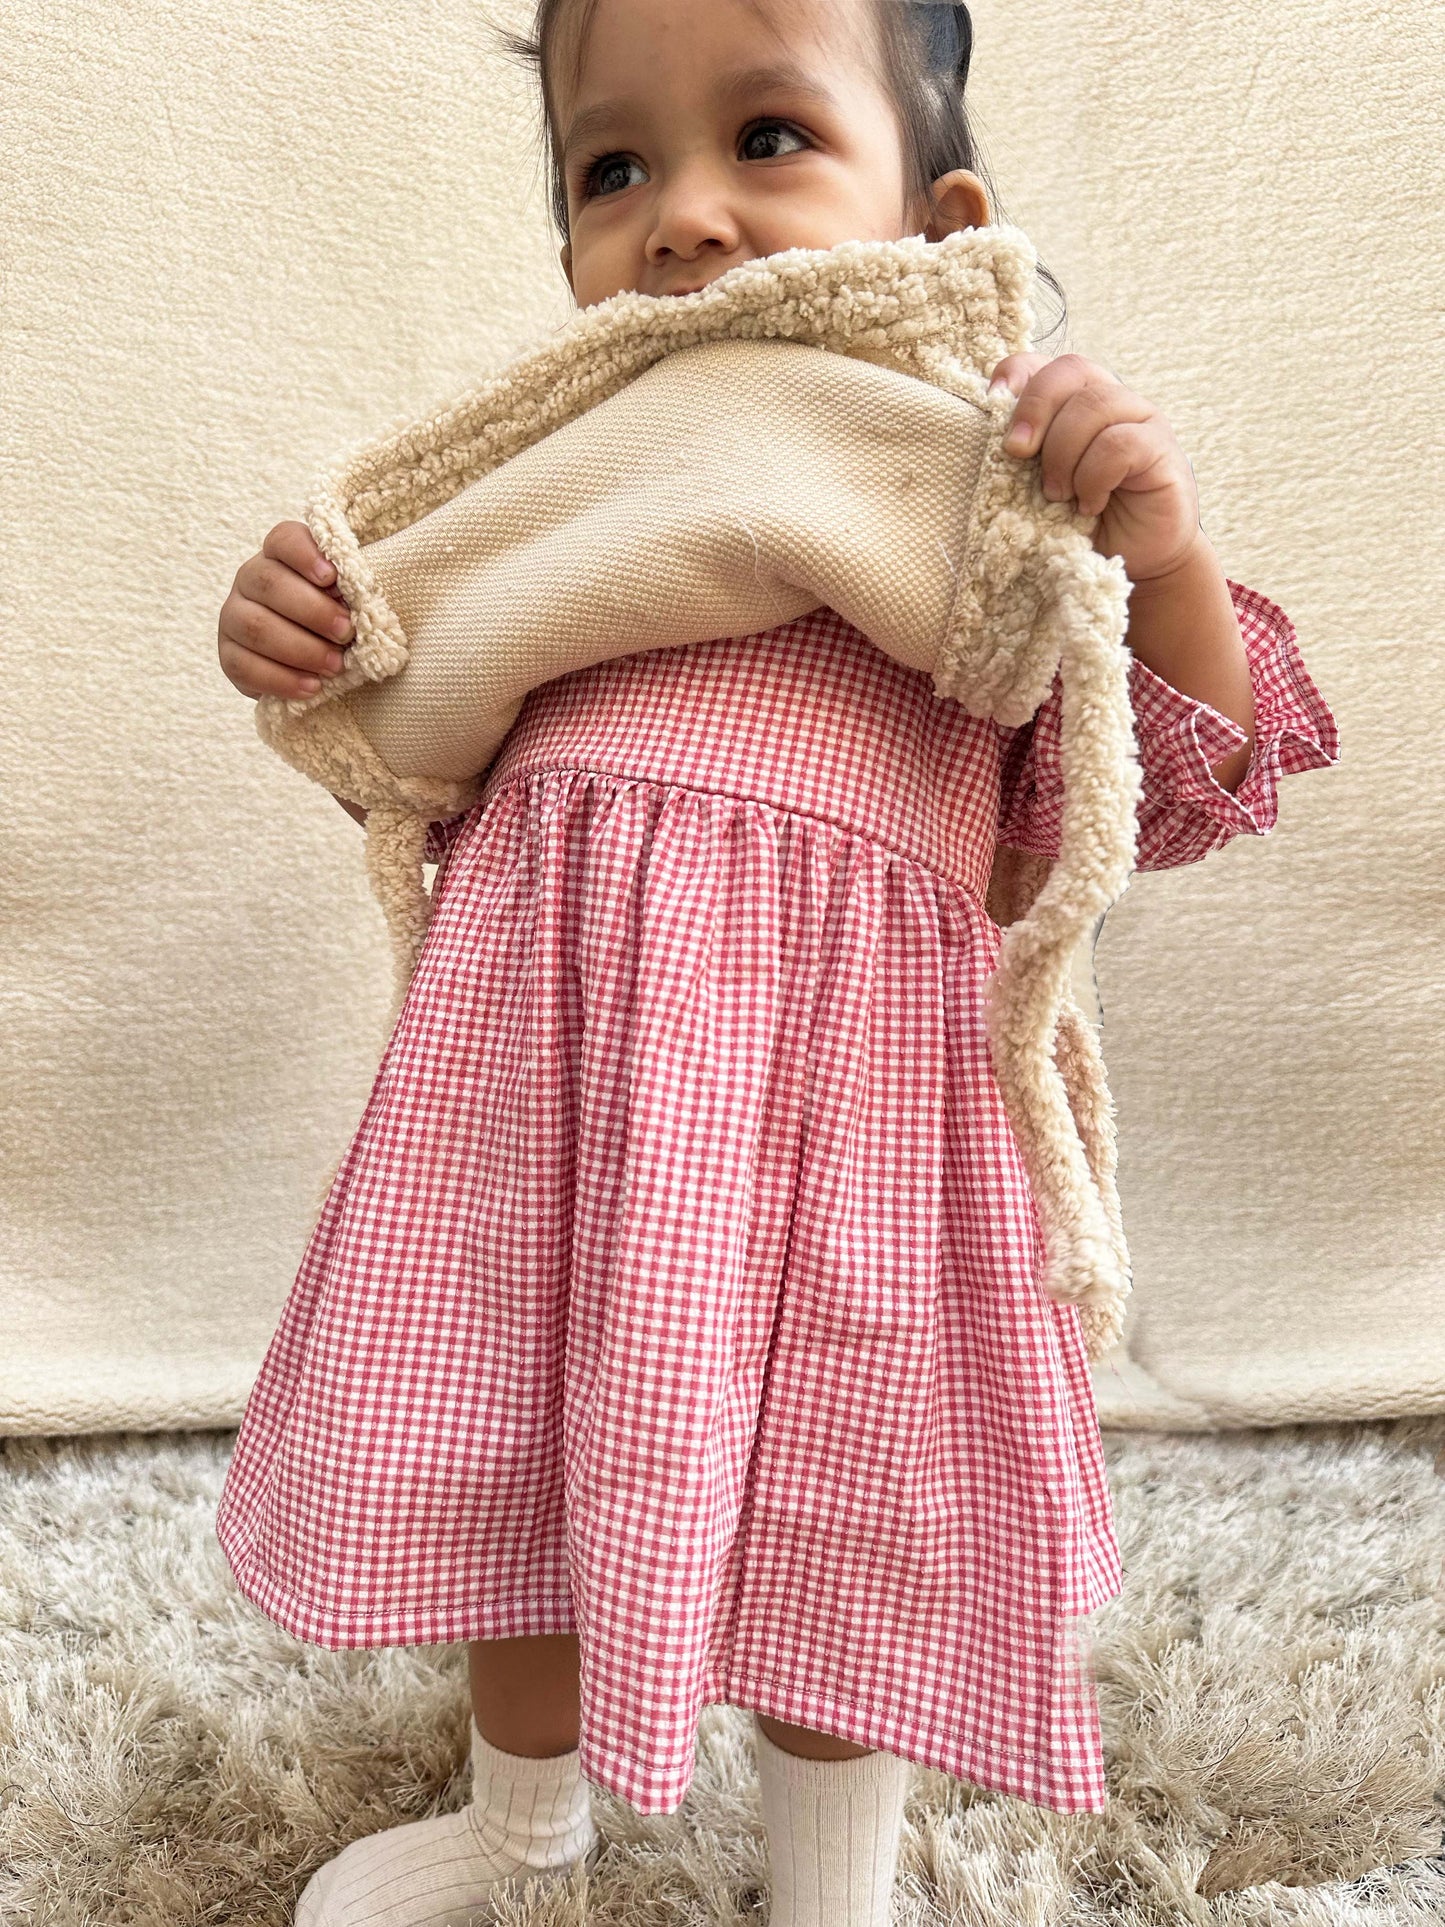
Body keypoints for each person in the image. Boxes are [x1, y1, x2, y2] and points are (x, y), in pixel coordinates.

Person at [213, 2, 1340, 1924]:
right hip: (546, 1080)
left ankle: (835, 1879)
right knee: (516, 1452)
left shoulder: (982, 488)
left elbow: (1168, 785)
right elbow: (426, 775)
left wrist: (1151, 554)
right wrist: (315, 633)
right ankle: (523, 1821)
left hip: (850, 1117)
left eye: (768, 139)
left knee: (850, 1486)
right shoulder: (560, 478)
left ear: (937, 214)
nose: (685, 220)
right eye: (614, 169)